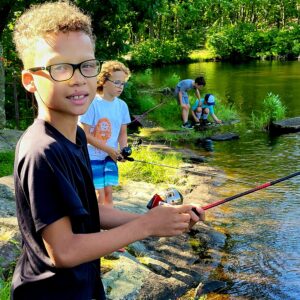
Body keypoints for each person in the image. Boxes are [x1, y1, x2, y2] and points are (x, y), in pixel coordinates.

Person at [11, 2, 205, 299]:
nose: (78, 78)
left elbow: (91, 211)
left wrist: (163, 219)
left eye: (87, 66)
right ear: (30, 80)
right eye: (59, 67)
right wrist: (144, 227)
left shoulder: (75, 135)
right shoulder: (42, 152)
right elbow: (63, 251)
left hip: (83, 285)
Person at [79, 61, 131, 207]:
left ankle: (108, 226)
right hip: (91, 156)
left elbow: (122, 133)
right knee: (98, 194)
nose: (120, 86)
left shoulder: (122, 106)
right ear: (104, 81)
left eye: (123, 83)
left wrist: (124, 150)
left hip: (110, 157)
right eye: (117, 82)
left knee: (108, 193)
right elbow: (84, 134)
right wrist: (109, 149)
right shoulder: (92, 103)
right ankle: (95, 226)